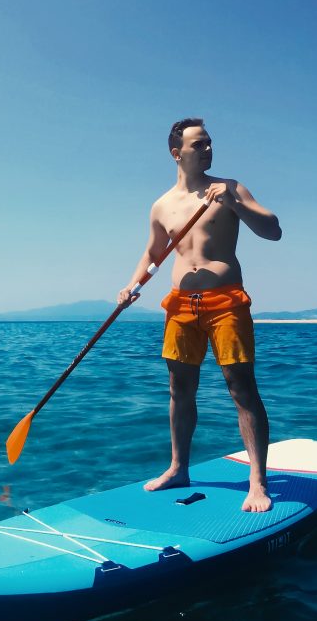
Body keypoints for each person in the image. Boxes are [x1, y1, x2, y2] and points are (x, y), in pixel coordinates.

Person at [118, 118, 282, 512]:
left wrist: (236, 205)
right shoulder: (162, 205)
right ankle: (178, 468)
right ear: (177, 153)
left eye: (209, 143)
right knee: (179, 390)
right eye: (198, 145)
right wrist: (131, 285)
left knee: (241, 389)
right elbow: (153, 253)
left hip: (226, 301)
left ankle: (257, 481)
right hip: (180, 304)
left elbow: (274, 230)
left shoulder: (229, 188)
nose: (207, 150)